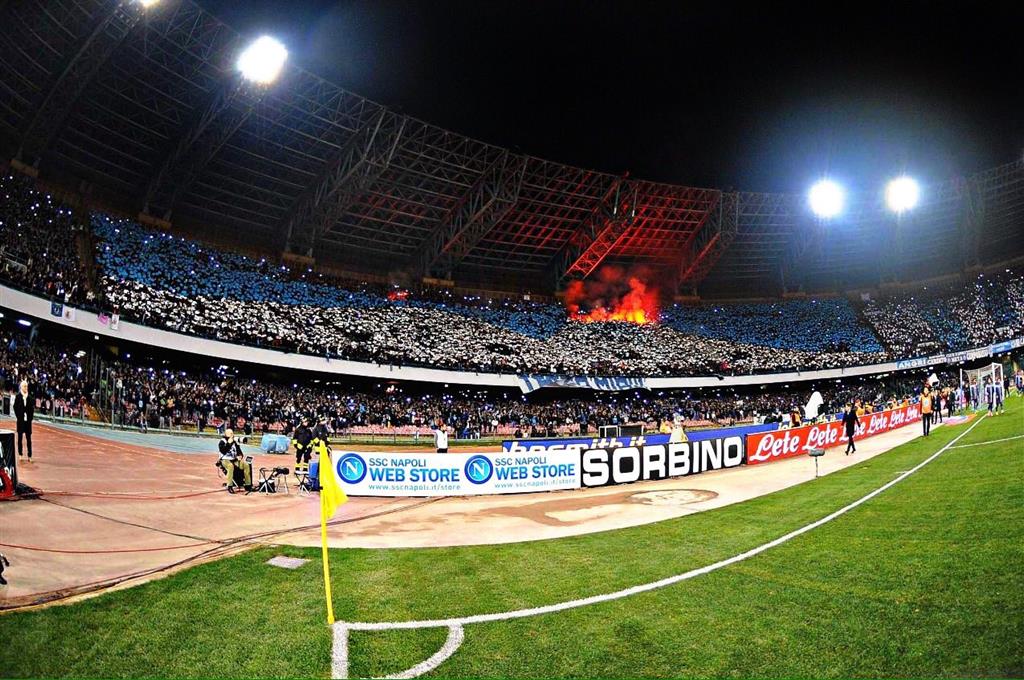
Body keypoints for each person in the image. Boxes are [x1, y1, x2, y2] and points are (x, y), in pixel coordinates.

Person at [218, 428, 251, 493]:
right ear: (226, 434)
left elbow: (239, 452)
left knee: (246, 465)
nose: (232, 435)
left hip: (234, 459)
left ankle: (248, 485)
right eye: (230, 433)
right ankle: (229, 486)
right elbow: (223, 451)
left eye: (232, 433)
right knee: (230, 466)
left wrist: (240, 456)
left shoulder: (235, 442)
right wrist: (229, 443)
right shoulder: (222, 441)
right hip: (225, 459)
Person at [13, 381, 33, 460]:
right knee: (20, 438)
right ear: (21, 387)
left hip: (28, 422)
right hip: (21, 421)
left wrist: (30, 418)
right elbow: (15, 407)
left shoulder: (30, 397)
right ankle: (20, 454)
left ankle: (29, 455)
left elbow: (31, 409)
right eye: (24, 386)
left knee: (29, 439)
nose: (26, 388)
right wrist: (19, 416)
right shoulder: (18, 396)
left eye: (26, 386)